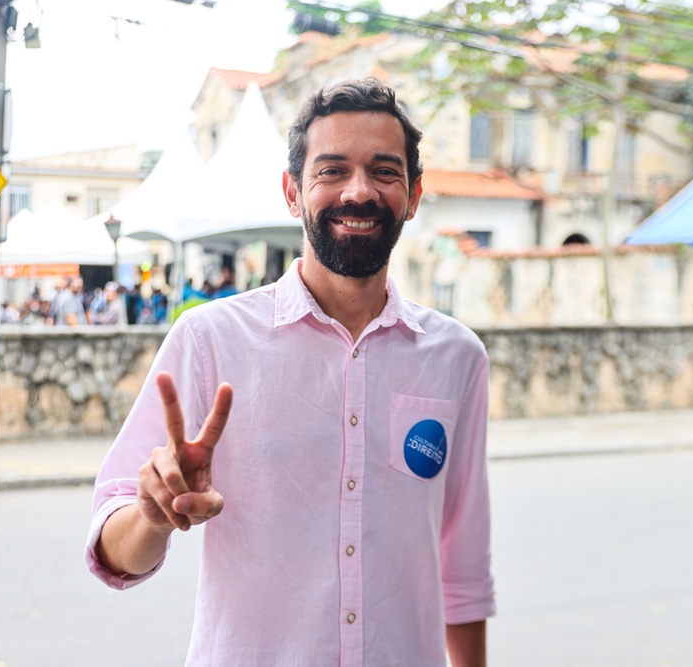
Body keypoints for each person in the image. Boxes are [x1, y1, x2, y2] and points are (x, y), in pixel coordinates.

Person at [86, 79, 494, 666]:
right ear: (292, 192)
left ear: (414, 195)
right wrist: (153, 517)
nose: (359, 191)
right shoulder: (210, 341)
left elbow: (464, 565)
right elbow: (111, 549)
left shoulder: (456, 357)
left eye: (385, 171)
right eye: (332, 171)